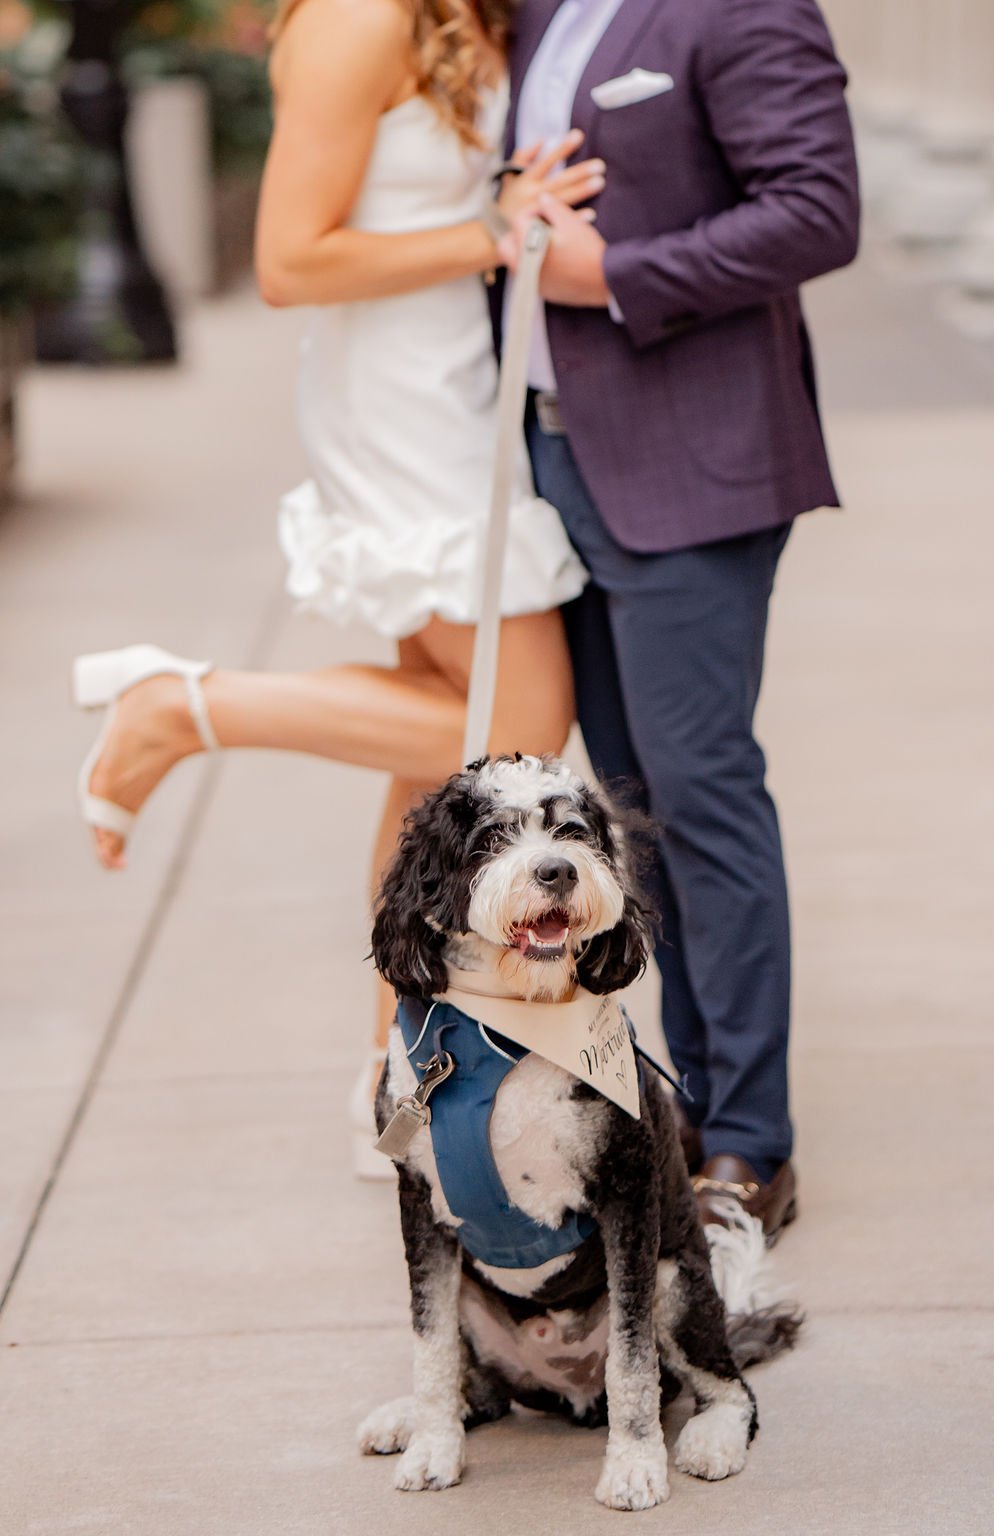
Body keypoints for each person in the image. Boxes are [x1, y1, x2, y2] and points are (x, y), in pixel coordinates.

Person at [72, 0, 605, 1176]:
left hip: (459, 382)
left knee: (435, 756)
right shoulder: (357, 16)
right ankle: (186, 704)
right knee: (518, 729)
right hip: (402, 399)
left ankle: (396, 1078)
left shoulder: (456, 11)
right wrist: (494, 230)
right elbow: (287, 261)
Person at [497, 0, 860, 1241]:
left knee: (702, 792)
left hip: (696, 460)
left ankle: (753, 1142)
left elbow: (817, 209)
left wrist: (618, 275)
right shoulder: (539, 9)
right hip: (557, 460)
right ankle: (691, 1099)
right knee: (634, 805)